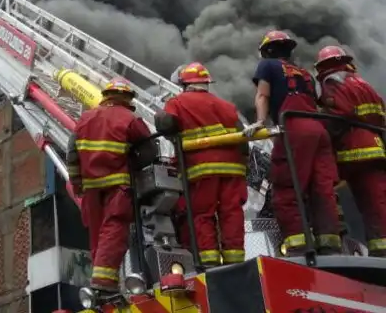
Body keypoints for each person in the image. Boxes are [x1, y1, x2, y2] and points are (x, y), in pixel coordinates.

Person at [245, 30, 341, 255]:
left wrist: (259, 121)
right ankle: (330, 244)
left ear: (267, 51)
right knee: (321, 188)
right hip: (319, 130)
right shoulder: (305, 72)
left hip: (294, 129)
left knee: (287, 187)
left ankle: (298, 245)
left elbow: (263, 95)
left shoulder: (267, 66)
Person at [65, 77, 158, 292]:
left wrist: (77, 183)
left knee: (97, 234)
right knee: (114, 229)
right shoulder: (130, 119)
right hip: (118, 187)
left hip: (91, 190)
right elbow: (150, 151)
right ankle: (104, 283)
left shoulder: (84, 119)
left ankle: (101, 282)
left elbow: (72, 155)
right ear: (126, 99)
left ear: (106, 97)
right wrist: (132, 163)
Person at [155, 62, 249, 267]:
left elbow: (166, 125)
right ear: (206, 83)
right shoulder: (227, 106)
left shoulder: (177, 103)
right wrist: (243, 167)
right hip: (233, 169)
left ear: (184, 84)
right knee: (231, 212)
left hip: (201, 169)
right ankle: (235, 260)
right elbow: (242, 139)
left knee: (202, 213)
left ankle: (209, 261)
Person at [314, 45, 386, 257]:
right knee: (377, 202)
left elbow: (341, 112)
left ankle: (336, 240)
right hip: (375, 149)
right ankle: (381, 250)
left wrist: (326, 132)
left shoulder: (332, 82)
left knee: (326, 189)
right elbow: (381, 113)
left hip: (351, 151)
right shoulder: (363, 83)